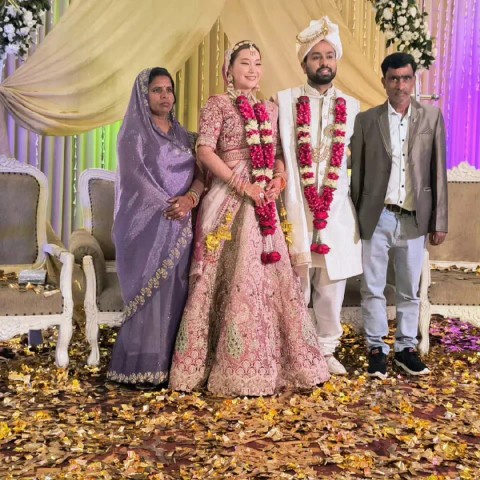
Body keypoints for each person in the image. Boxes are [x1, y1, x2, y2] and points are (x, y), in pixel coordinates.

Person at [169, 40, 330, 396]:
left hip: (264, 201)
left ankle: (275, 365)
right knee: (229, 276)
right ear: (228, 69)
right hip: (229, 197)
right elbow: (204, 150)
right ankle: (224, 366)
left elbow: (278, 153)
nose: (253, 69)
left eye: (258, 63)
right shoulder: (217, 104)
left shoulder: (270, 109)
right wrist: (242, 185)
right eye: (245, 63)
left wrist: (279, 178)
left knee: (270, 278)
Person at [350, 52, 448, 379]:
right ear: (384, 82)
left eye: (406, 78)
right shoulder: (367, 120)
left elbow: (437, 173)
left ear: (413, 80)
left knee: (409, 289)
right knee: (372, 286)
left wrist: (439, 221)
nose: (400, 85)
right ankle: (376, 348)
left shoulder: (431, 117)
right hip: (377, 216)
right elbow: (357, 175)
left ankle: (406, 348)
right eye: (394, 79)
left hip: (414, 218)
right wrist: (357, 219)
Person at [107, 67, 204, 388]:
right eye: (156, 90)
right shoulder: (132, 134)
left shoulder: (185, 136)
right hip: (145, 225)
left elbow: (202, 174)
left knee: (177, 290)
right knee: (153, 293)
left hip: (182, 221)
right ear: (143, 95)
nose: (165, 96)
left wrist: (190, 199)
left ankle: (173, 368)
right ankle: (142, 367)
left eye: (168, 90)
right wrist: (171, 207)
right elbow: (136, 178)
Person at [276, 17, 362, 375]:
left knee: (331, 283)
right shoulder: (283, 101)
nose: (324, 62)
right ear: (304, 64)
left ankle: (326, 350)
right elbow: (274, 152)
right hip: (296, 205)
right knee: (295, 283)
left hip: (336, 209)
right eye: (316, 57)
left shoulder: (353, 107)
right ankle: (295, 350)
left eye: (329, 56)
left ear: (336, 60)